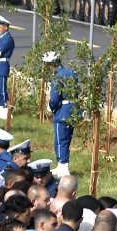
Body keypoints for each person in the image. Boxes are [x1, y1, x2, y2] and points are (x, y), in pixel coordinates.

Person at [44, 51, 78, 179]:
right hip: (73, 109)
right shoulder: (71, 73)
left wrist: (51, 107)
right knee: (67, 138)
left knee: (60, 139)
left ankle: (63, 165)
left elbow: (54, 98)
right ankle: (62, 165)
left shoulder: (57, 76)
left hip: (62, 110)